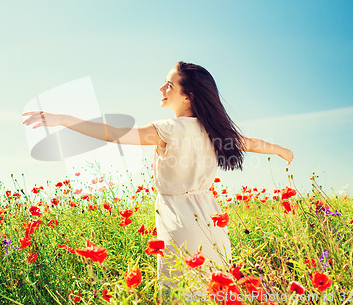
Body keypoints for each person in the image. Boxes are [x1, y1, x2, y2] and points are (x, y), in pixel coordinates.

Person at [22, 61, 294, 299]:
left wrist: (65, 119)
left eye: (168, 85)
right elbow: (253, 144)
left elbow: (114, 133)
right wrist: (282, 150)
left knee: (181, 294)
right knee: (216, 292)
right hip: (212, 222)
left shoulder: (169, 129)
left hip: (179, 221)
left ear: (187, 96)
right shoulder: (215, 131)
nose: (161, 90)